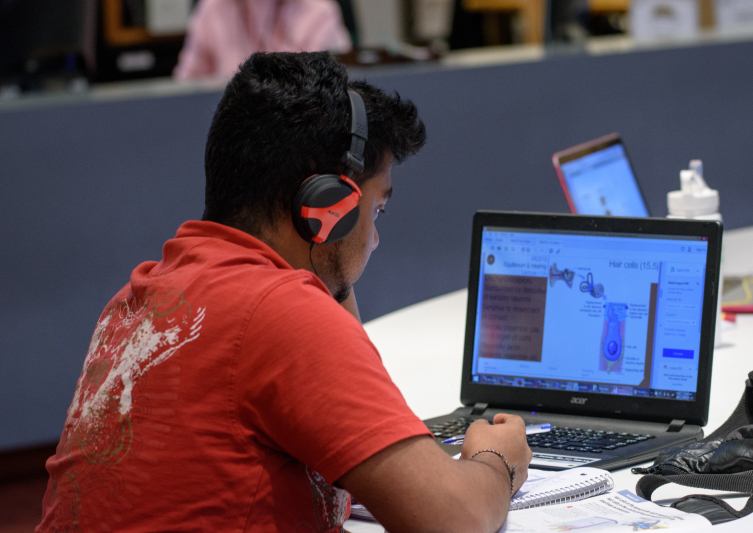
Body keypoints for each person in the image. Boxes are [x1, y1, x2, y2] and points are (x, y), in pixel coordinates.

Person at [38, 51, 532, 533]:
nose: (376, 238)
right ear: (326, 207)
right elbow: (454, 518)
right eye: (376, 210)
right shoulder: (277, 312)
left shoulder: (145, 293)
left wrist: (331, 273)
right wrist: (496, 460)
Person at [174, 0, 352, 80]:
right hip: (232, 135)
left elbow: (335, 88)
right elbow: (186, 87)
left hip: (299, 136)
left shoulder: (320, 12)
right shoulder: (213, 9)